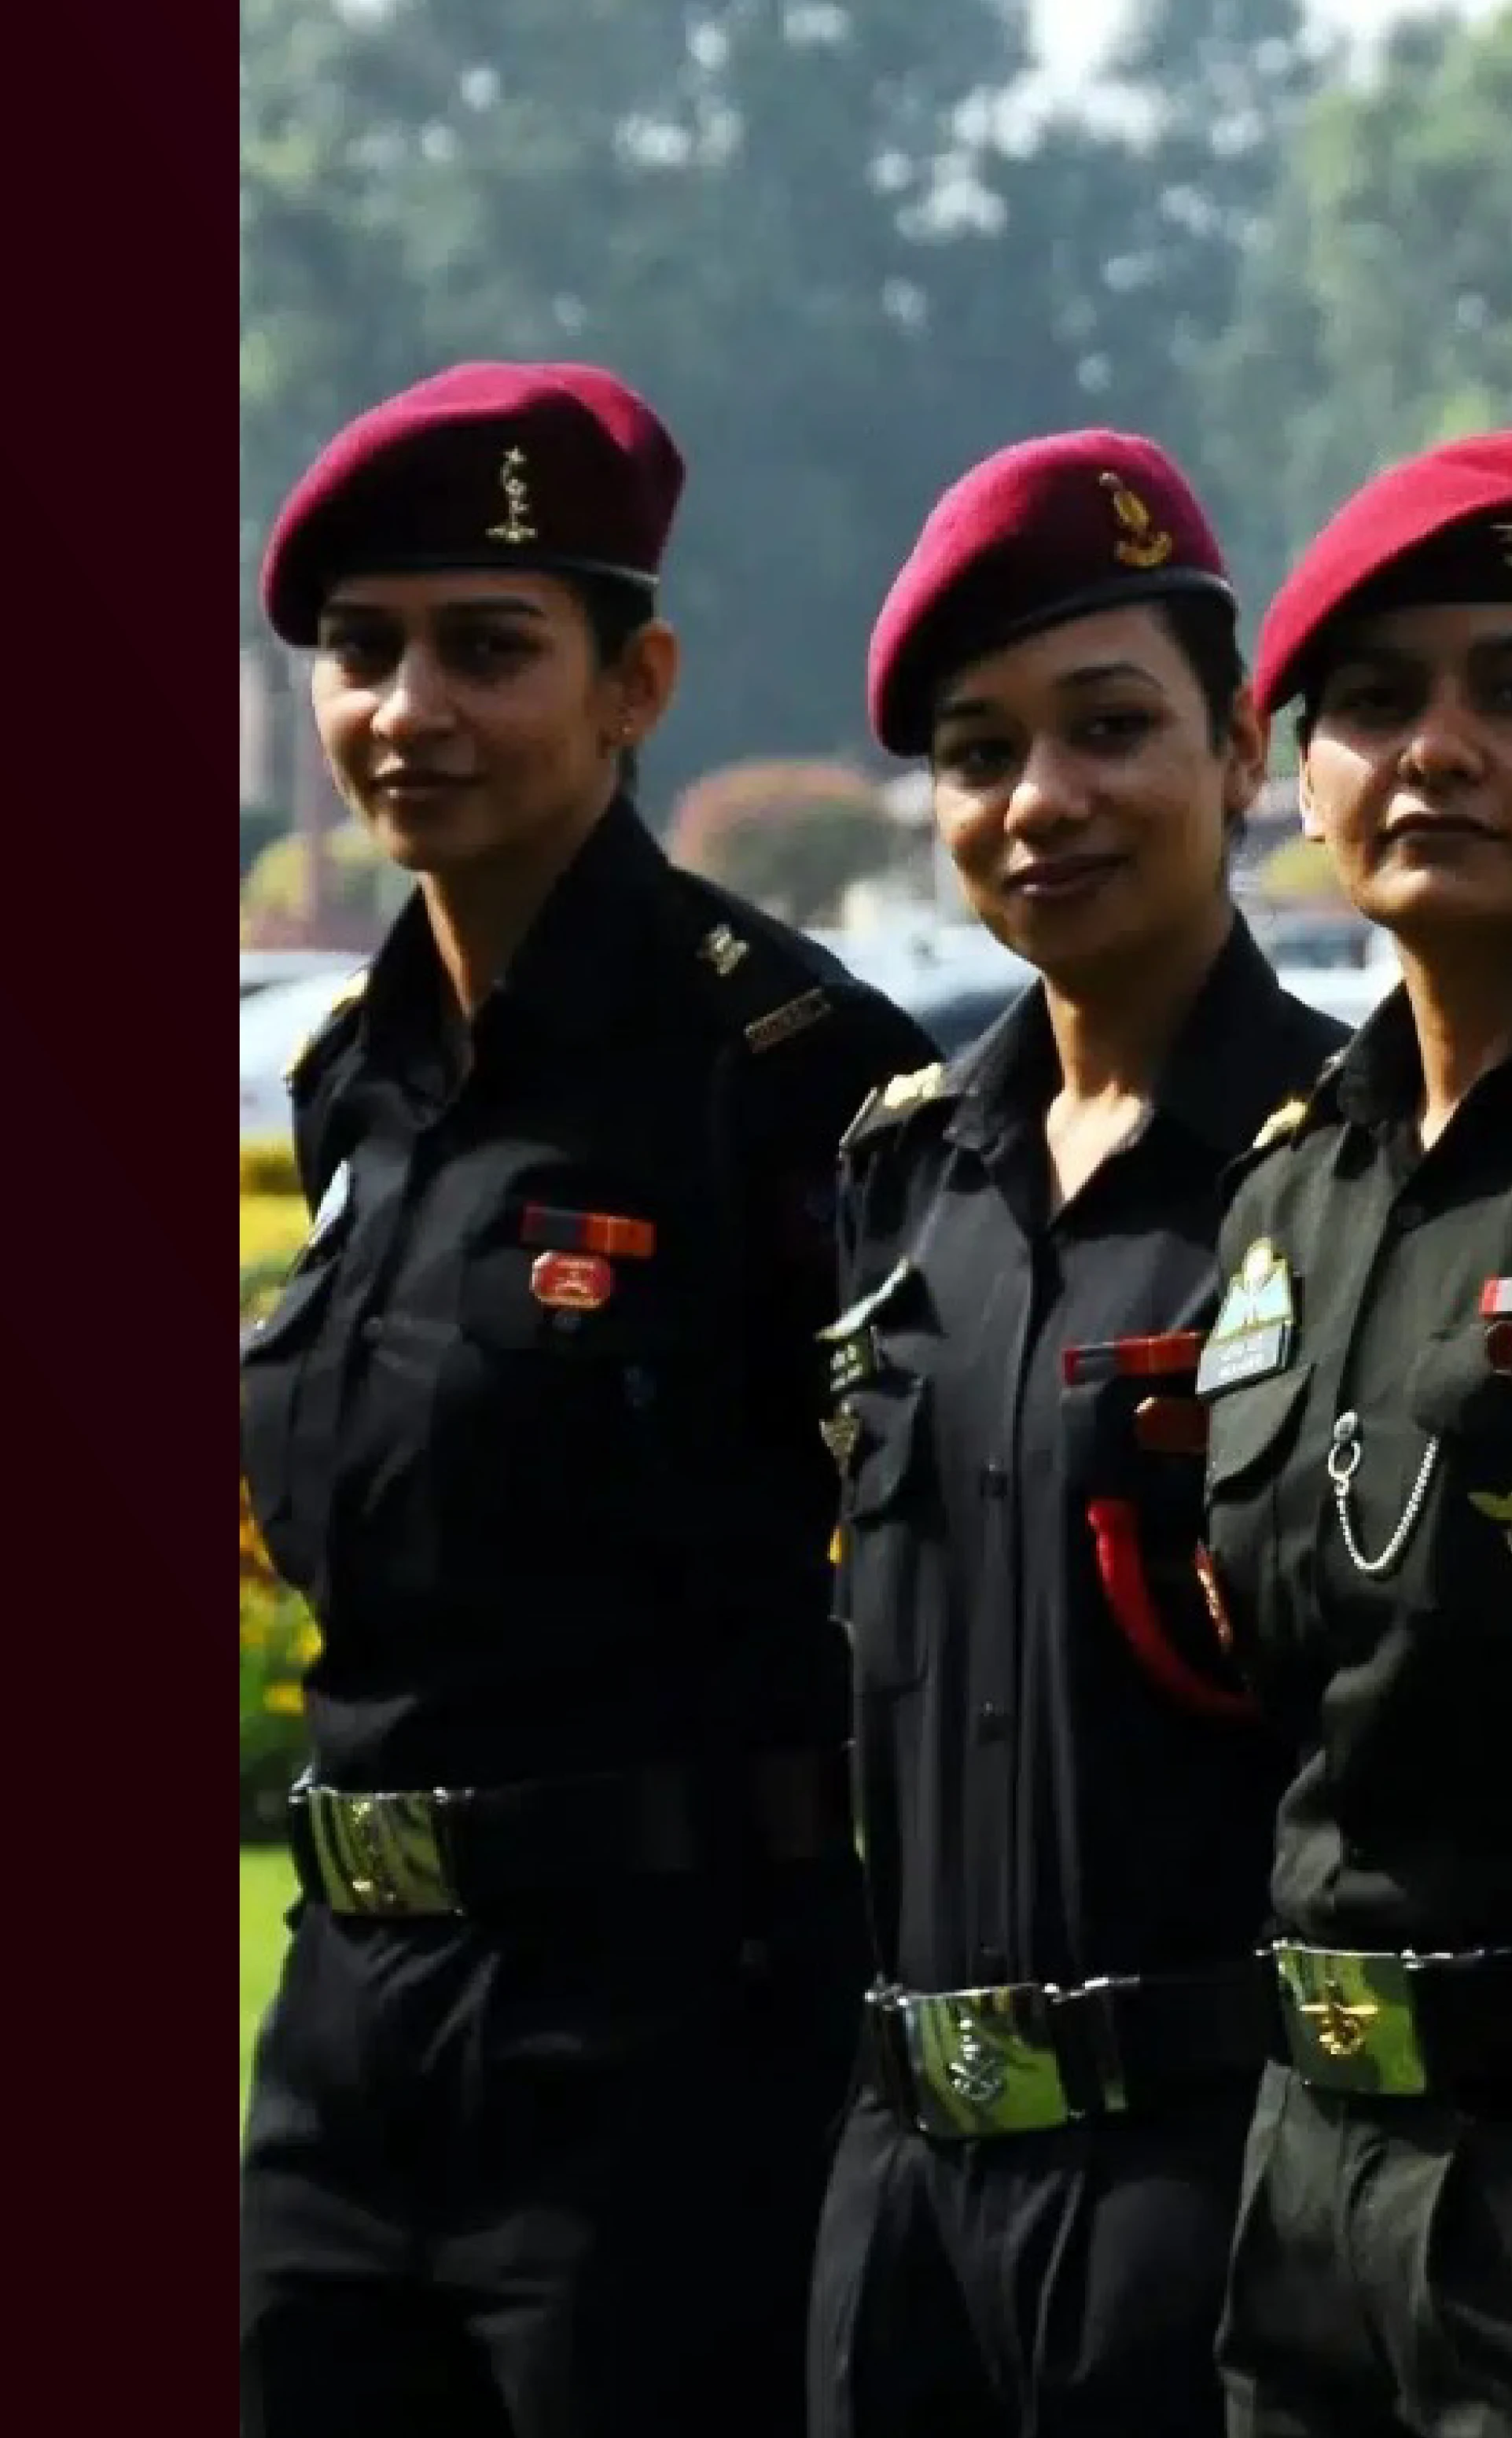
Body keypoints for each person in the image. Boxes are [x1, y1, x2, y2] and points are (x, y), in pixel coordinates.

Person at [237, 362, 933, 2438]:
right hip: (351, 2032)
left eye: (489, 648)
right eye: (363, 652)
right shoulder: (356, 1074)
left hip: (672, 2040)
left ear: (636, 680)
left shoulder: (790, 1072)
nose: (409, 708)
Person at [808, 430, 1350, 2438]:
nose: (1044, 800)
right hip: (904, 2190)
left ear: (1240, 747)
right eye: (979, 750)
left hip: (1208, 2180)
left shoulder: (1343, 1165)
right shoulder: (899, 1182)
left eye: (1112, 726)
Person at [1196, 428, 1512, 2438]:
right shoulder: (1290, 1182)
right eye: (1373, 704)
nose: (1438, 751)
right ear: (1300, 773)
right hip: (1307, 2166)